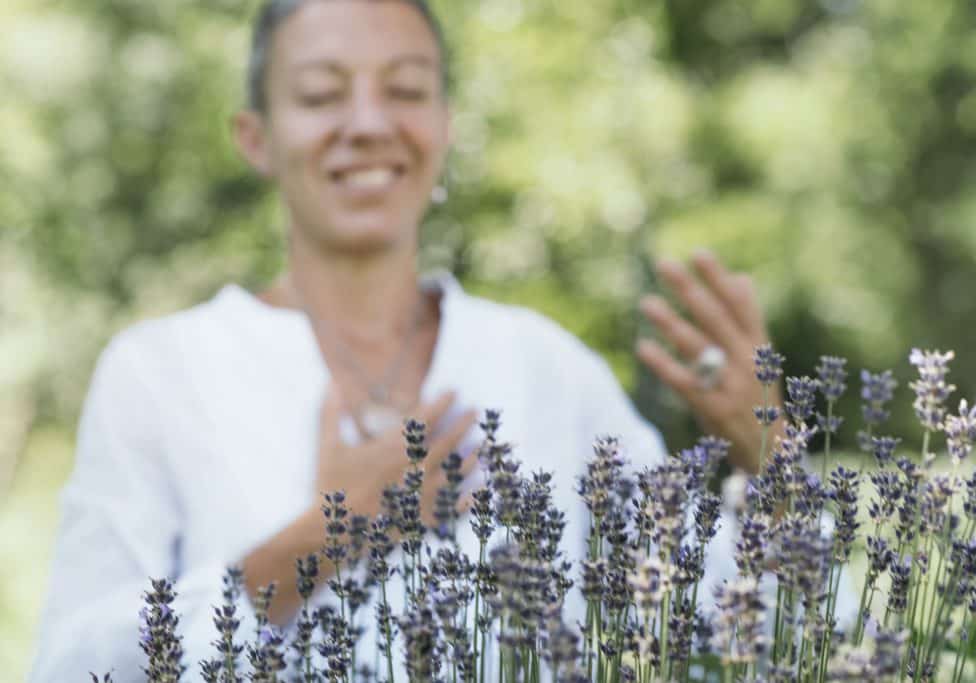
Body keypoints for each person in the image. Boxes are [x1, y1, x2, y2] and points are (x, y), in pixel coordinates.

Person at [28, 0, 782, 679]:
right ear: (255, 138)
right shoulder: (161, 373)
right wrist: (317, 539)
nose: (366, 123)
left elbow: (754, 622)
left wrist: (771, 449)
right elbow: (71, 664)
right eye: (322, 94)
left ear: (445, 128)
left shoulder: (546, 368)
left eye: (407, 90)